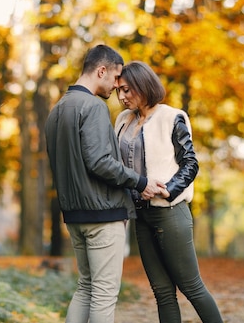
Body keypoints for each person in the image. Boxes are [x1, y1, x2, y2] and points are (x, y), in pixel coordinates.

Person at [45, 45, 167, 323]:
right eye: (115, 78)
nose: (117, 87)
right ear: (101, 70)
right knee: (103, 293)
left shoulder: (57, 110)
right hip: (102, 214)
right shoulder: (93, 107)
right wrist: (140, 182)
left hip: (74, 216)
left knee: (86, 287)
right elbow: (100, 162)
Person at [115, 61, 224, 323]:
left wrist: (168, 191)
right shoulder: (122, 120)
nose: (121, 96)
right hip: (140, 216)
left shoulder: (172, 117)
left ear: (143, 85)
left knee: (191, 287)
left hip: (171, 214)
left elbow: (190, 163)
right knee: (162, 292)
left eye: (127, 90)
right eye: (118, 90)